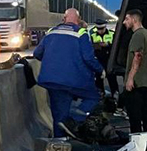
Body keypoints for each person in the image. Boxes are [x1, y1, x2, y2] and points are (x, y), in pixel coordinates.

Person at [33, 8, 102, 138]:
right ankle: (74, 119)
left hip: (52, 80)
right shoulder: (81, 33)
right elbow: (88, 58)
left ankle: (60, 144)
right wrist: (100, 70)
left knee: (59, 116)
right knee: (93, 97)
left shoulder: (51, 32)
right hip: (74, 80)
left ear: (64, 19)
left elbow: (37, 53)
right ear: (79, 19)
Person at [122, 8, 147, 133]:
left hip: (137, 82)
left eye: (127, 19)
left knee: (134, 117)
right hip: (146, 82)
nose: (124, 22)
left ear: (134, 19)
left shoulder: (138, 35)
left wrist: (130, 78)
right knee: (145, 115)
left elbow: (137, 56)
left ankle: (136, 141)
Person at [91, 19, 119, 98]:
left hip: (109, 60)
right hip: (99, 60)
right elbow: (91, 47)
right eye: (98, 29)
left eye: (101, 29)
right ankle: (100, 94)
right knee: (99, 79)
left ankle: (115, 94)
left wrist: (108, 45)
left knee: (112, 78)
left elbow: (116, 46)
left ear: (105, 27)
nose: (100, 31)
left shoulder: (112, 34)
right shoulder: (93, 35)